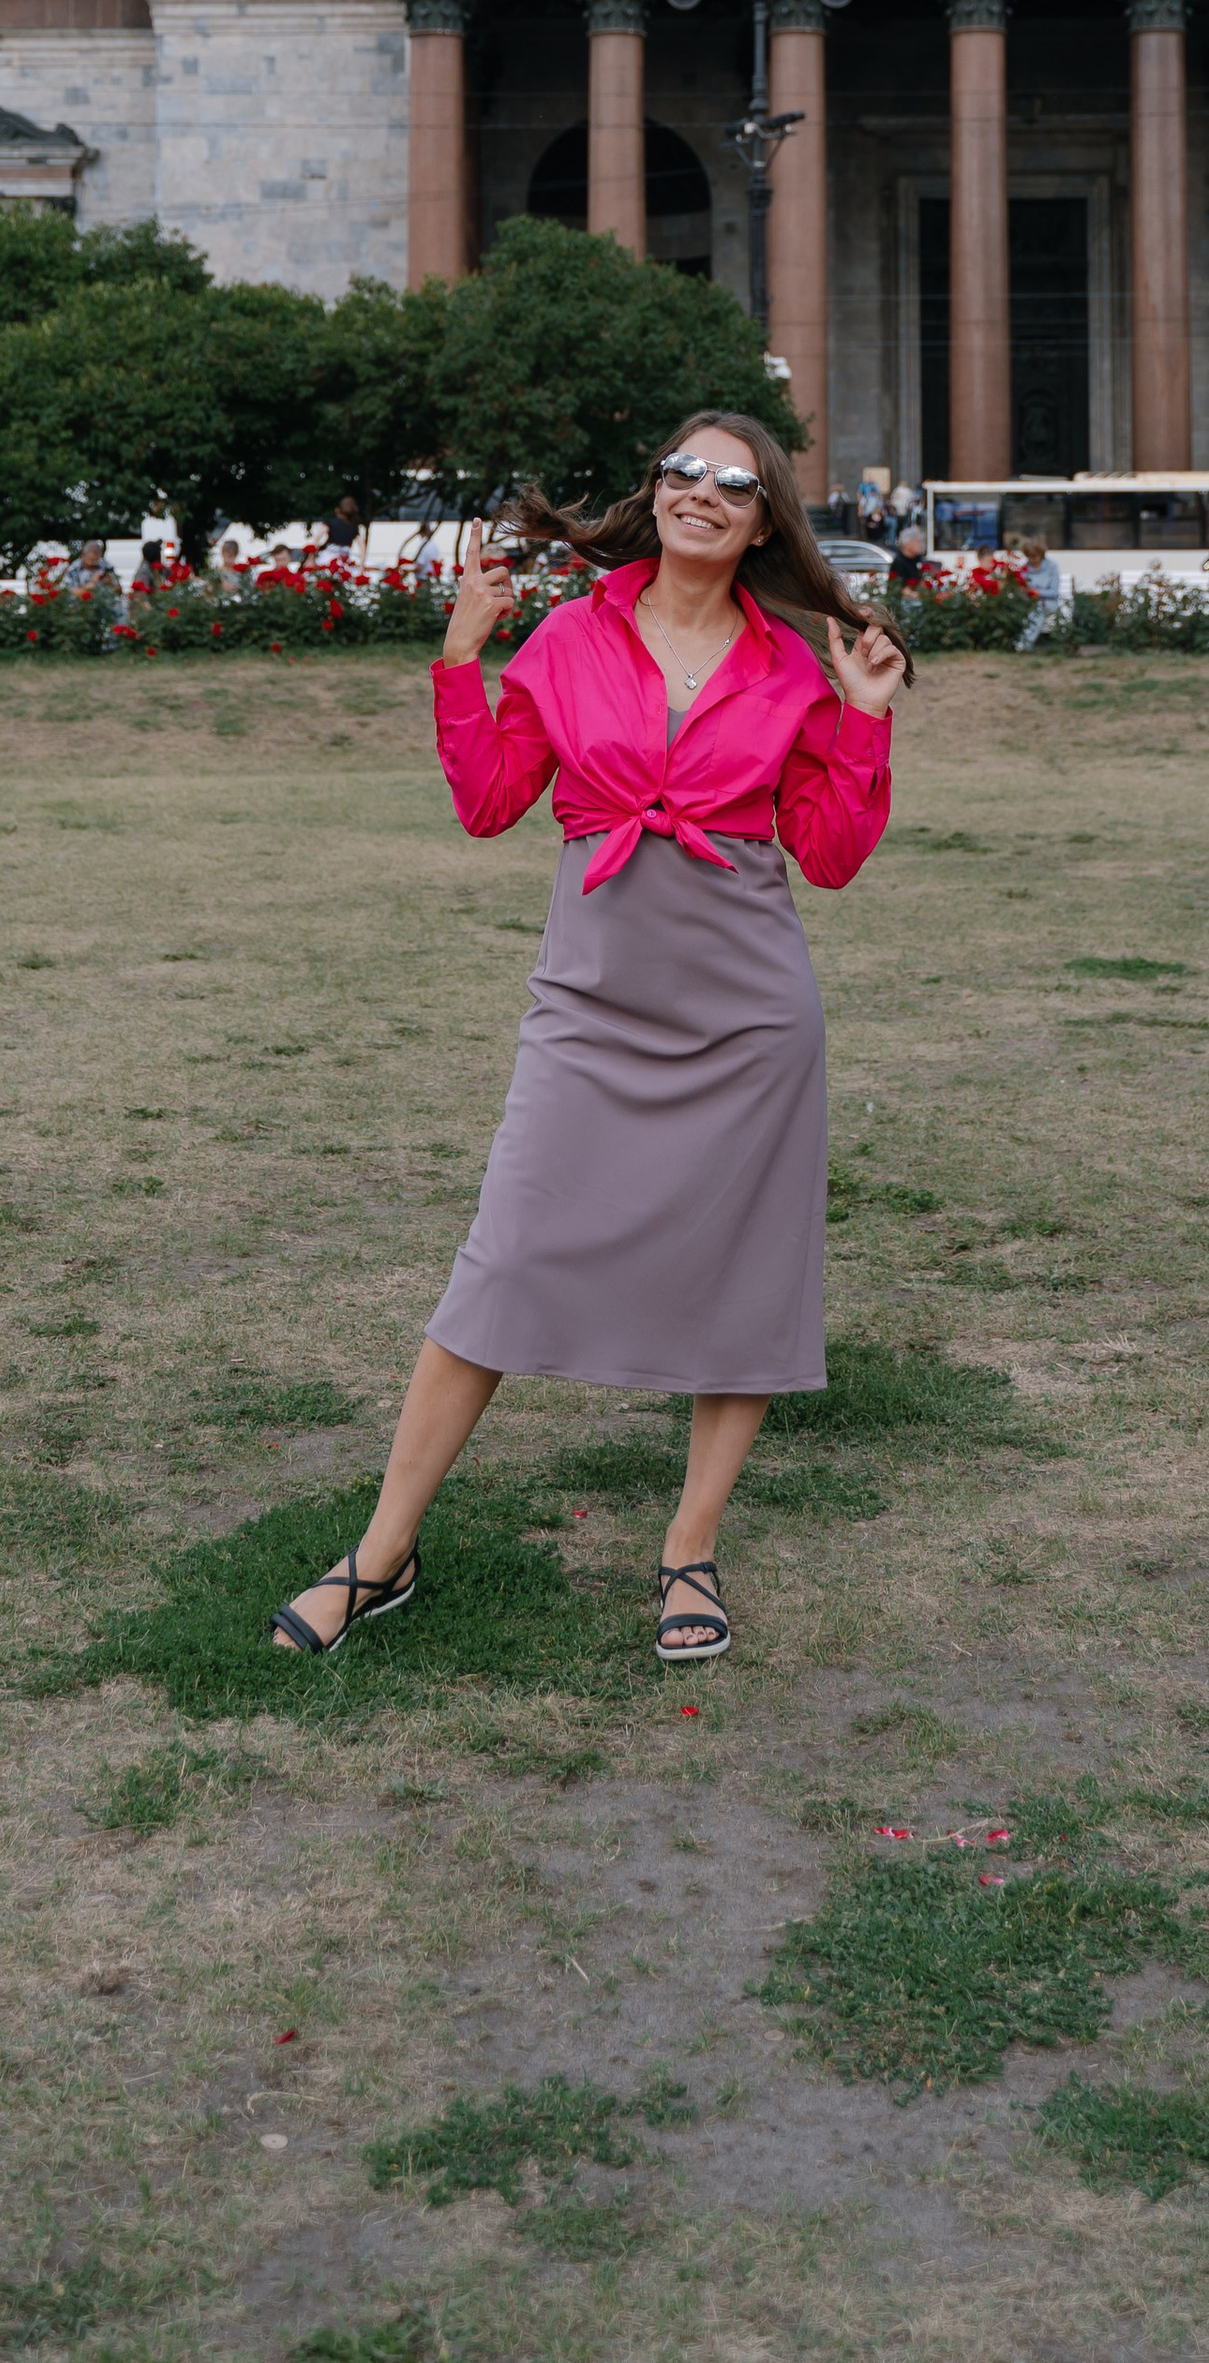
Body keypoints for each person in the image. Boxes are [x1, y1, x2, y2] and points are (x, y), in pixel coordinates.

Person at [268, 413, 907, 1673]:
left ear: (766, 519)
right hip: (594, 1001)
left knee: (744, 1281)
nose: (703, 494)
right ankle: (379, 1556)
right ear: (654, 491)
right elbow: (490, 800)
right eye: (684, 471)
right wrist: (463, 657)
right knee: (501, 1264)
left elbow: (827, 856)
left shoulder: (791, 667)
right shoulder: (571, 636)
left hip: (748, 1016)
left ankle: (689, 1547)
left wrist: (866, 717)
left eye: (736, 483)